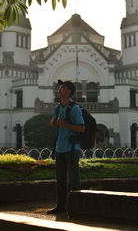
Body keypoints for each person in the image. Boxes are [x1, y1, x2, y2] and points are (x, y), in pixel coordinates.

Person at [47, 79, 85, 214]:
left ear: (69, 91)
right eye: (60, 87)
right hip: (59, 148)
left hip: (72, 148)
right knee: (60, 179)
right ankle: (60, 206)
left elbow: (81, 128)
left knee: (73, 179)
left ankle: (75, 207)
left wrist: (65, 125)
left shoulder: (74, 108)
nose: (59, 89)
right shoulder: (58, 108)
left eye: (62, 87)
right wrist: (54, 122)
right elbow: (55, 123)